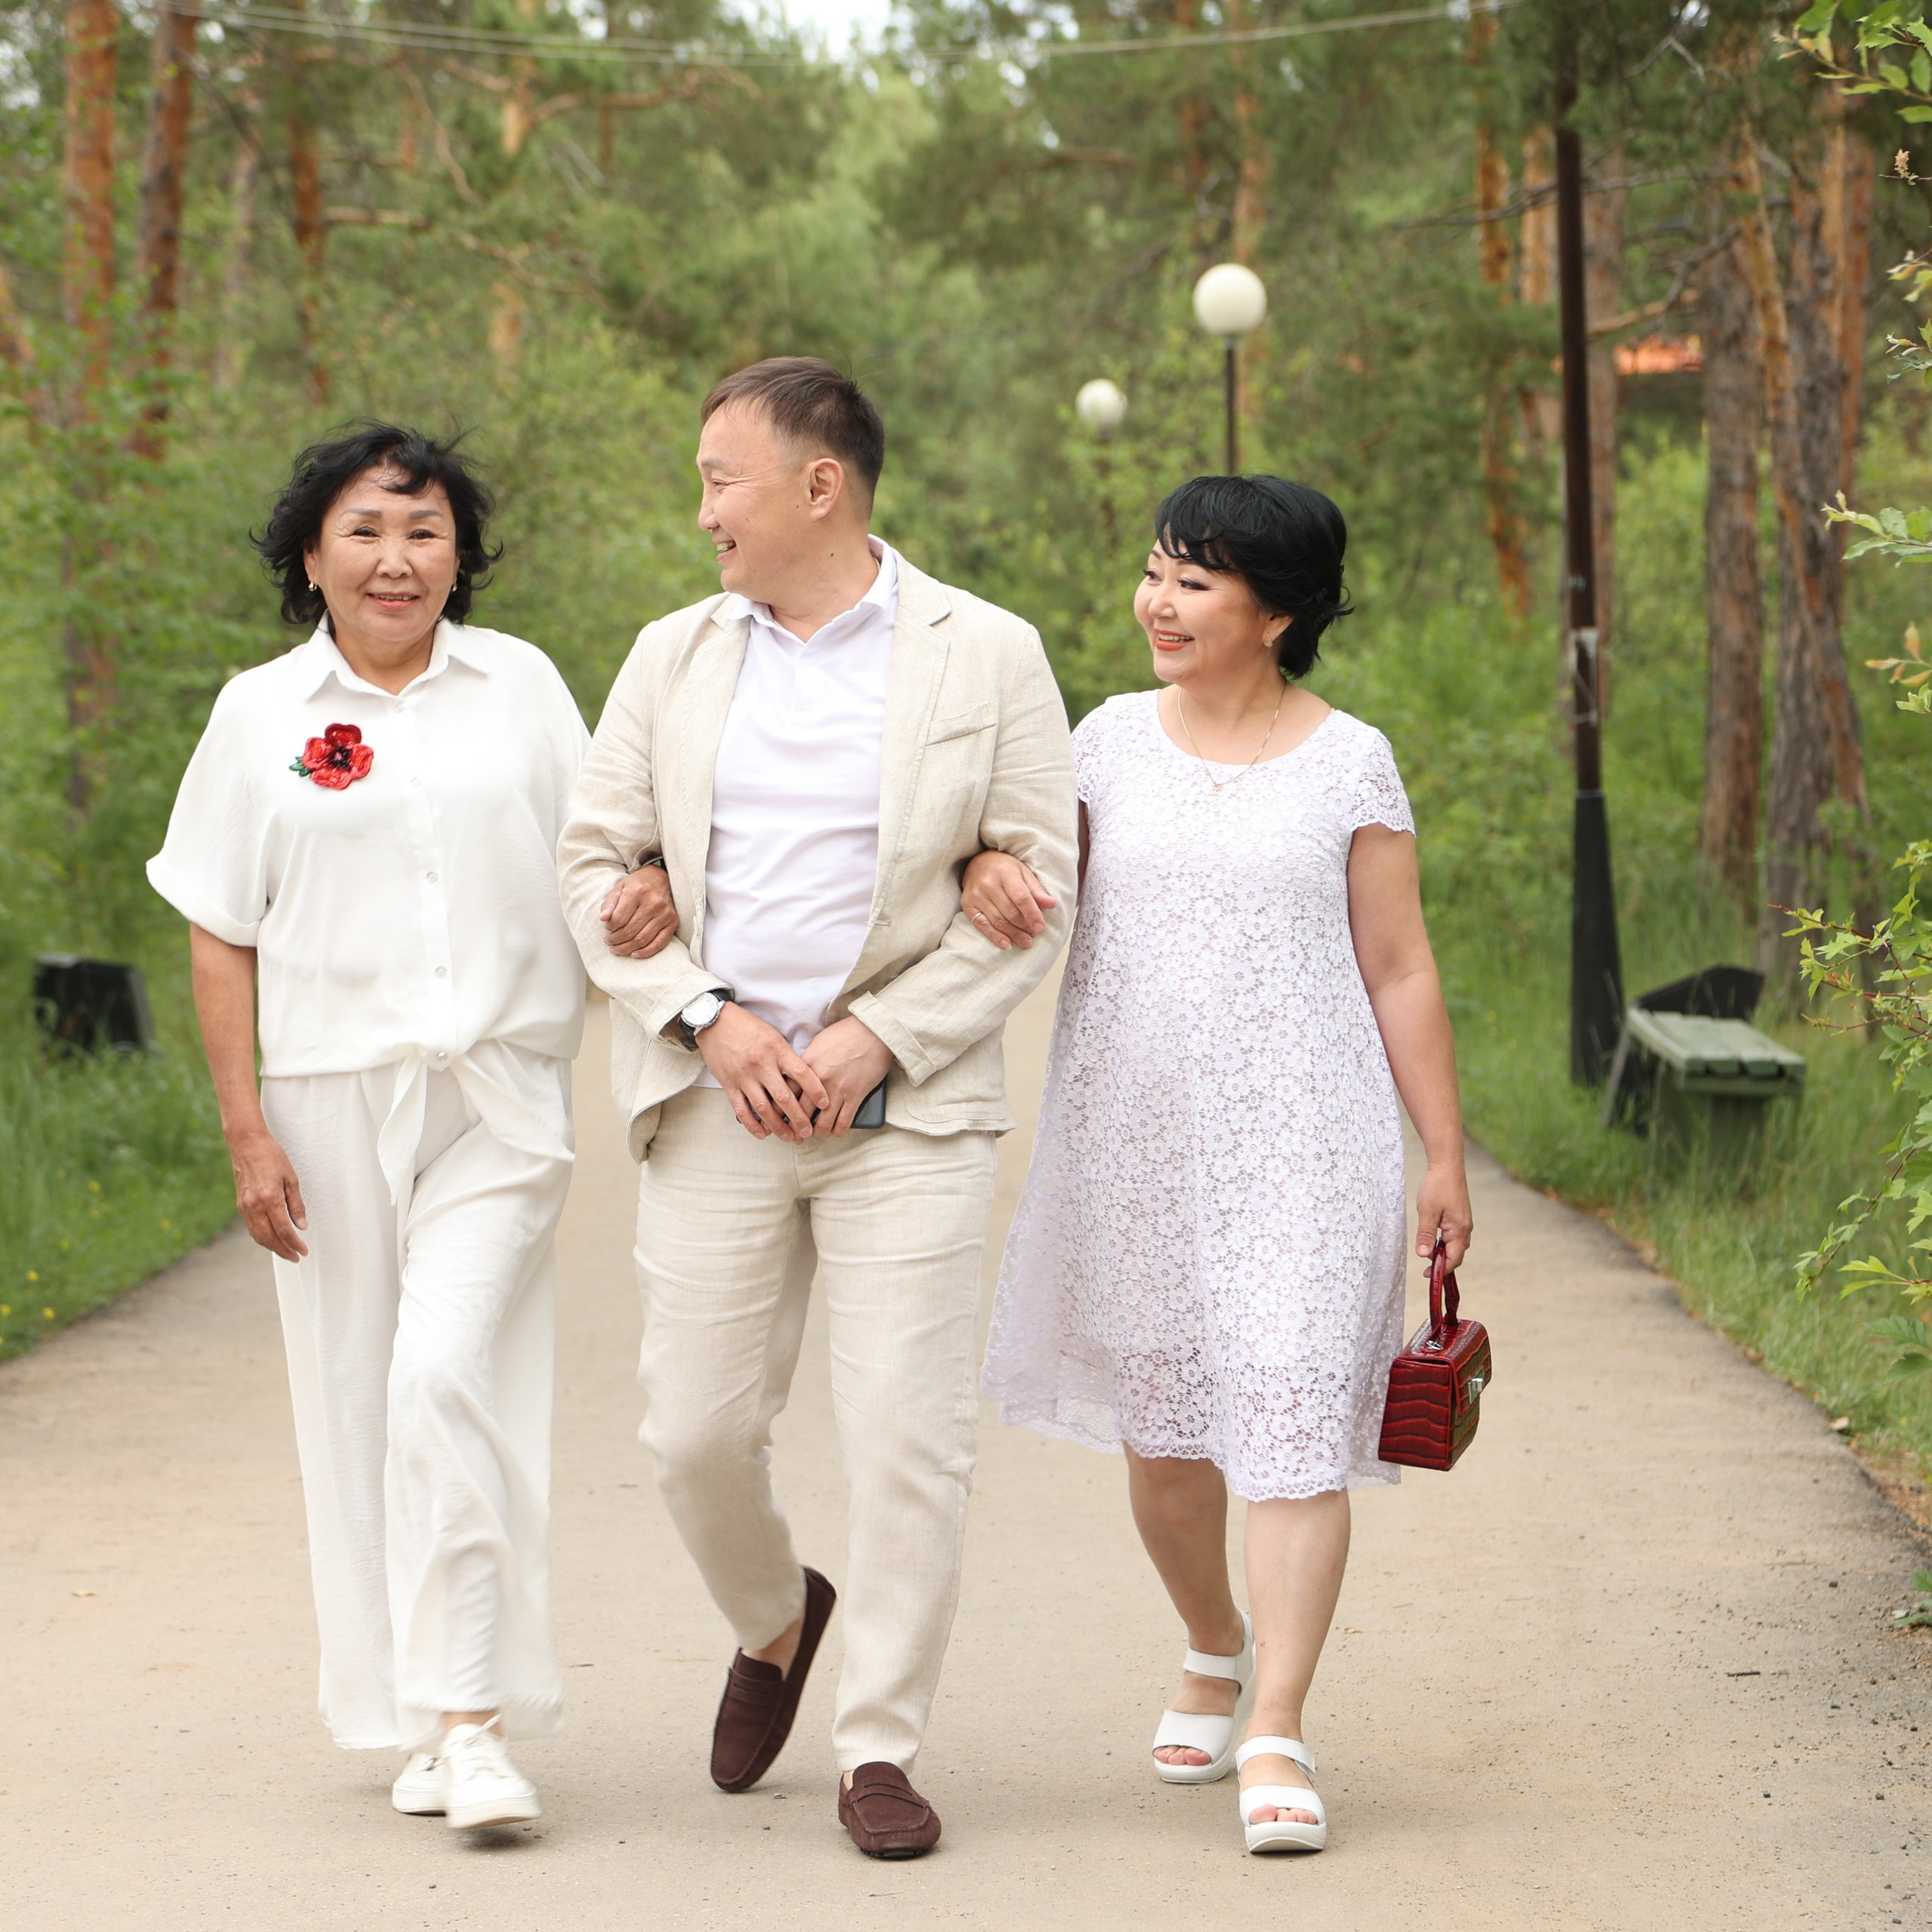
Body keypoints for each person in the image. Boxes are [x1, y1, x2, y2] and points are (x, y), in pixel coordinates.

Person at [555, 357, 1077, 1860]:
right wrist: (707, 1021)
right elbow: (591, 863)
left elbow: (1037, 886)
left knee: (909, 1434)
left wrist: (876, 1039)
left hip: (901, 1117)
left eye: (722, 476)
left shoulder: (986, 652)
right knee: (691, 1432)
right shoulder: (672, 655)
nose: (703, 506)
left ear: (817, 484)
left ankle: (878, 1743)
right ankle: (776, 1619)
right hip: (719, 1100)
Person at [971, 474, 1472, 1856]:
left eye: (1194, 581)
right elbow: (1019, 888)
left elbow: (1401, 964)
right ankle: (1211, 1638)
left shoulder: (1350, 758)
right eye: (1154, 572)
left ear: (1280, 611)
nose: (1157, 602)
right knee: (1172, 1445)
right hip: (1137, 1141)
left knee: (1296, 1429)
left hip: (1314, 1143)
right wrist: (979, 877)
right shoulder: (1104, 743)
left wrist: (1444, 1151)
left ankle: (1278, 1724)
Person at [146, 423, 595, 1831]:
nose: (397, 559)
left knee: (443, 1375)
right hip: (330, 1101)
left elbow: (608, 862)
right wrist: (244, 1133)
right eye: (366, 530)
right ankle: (418, 1706)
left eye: (425, 533)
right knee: (357, 1406)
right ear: (310, 554)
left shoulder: (519, 688)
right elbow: (224, 933)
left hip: (499, 1094)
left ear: (460, 557)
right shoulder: (258, 714)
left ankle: (471, 1724)